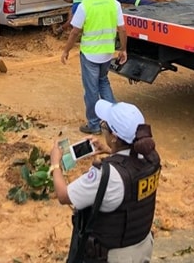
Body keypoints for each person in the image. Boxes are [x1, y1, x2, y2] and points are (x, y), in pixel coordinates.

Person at [49, 99, 161, 263]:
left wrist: (55, 164)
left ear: (114, 136)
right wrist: (110, 150)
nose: (103, 129)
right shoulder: (150, 157)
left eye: (104, 126)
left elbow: (63, 195)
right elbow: (131, 166)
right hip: (142, 247)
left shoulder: (107, 176)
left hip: (115, 256)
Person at [61, 0, 127, 134]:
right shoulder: (114, 2)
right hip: (107, 53)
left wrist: (66, 50)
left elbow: (75, 32)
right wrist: (123, 49)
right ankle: (115, 121)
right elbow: (122, 29)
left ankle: (94, 125)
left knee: (91, 90)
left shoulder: (85, 5)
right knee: (103, 82)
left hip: (90, 54)